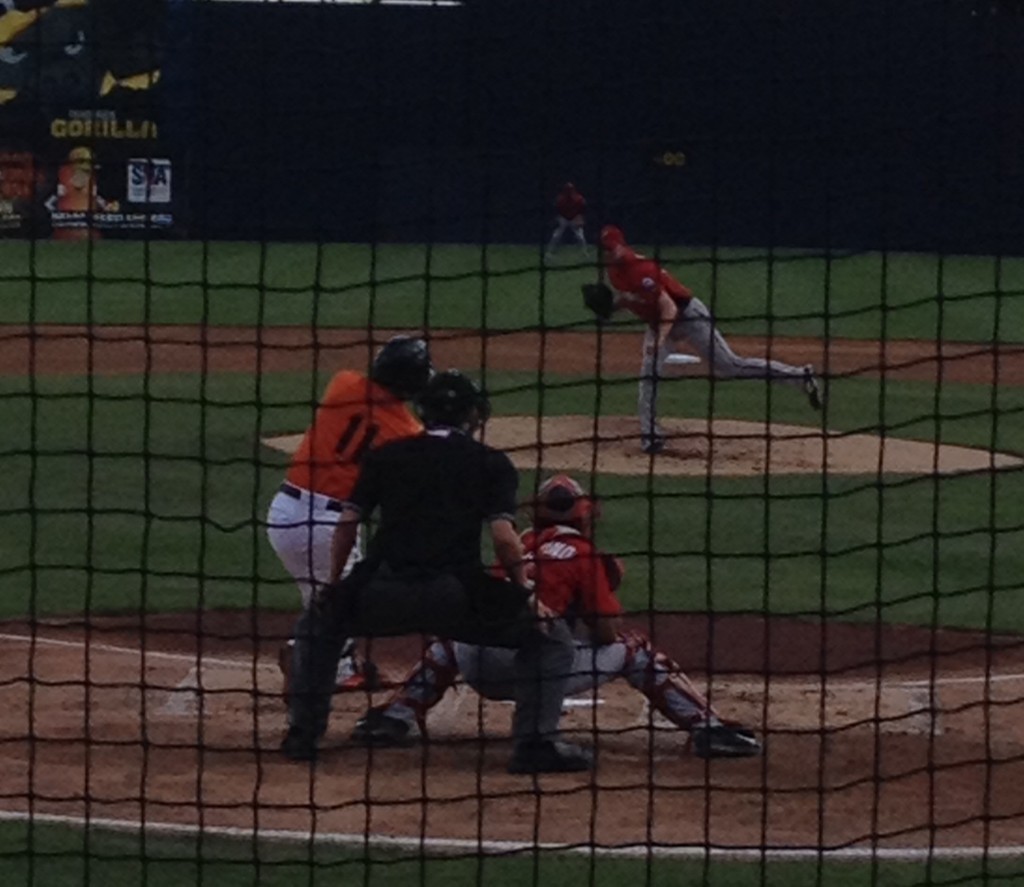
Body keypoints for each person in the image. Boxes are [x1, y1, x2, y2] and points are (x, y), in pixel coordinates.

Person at [280, 371, 591, 774]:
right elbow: (503, 538)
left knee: (316, 625)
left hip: (382, 592)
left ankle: (303, 736)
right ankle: (536, 744)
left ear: (422, 410)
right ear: (474, 415)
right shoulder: (491, 463)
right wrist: (526, 595)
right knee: (552, 639)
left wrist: (335, 585)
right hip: (455, 596)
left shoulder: (386, 455)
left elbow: (347, 524)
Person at [351, 473, 762, 759]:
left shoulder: (516, 548)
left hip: (481, 669)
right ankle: (708, 729)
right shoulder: (584, 554)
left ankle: (393, 719)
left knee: (448, 644)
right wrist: (590, 598)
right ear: (583, 515)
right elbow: (605, 633)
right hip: (540, 672)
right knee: (634, 647)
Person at [266, 336, 432, 698]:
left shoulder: (342, 385)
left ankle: (340, 663)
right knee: (342, 602)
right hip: (326, 525)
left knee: (322, 596)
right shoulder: (408, 432)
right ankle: (312, 658)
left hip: (283, 511)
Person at [598, 224, 824, 454]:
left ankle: (800, 376)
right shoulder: (613, 272)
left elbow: (669, 307)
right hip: (659, 324)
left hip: (688, 316)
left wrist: (659, 341)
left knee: (730, 365)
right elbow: (633, 299)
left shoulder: (641, 269)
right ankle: (651, 437)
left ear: (622, 246)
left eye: (613, 248)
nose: (610, 253)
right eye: (606, 250)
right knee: (648, 377)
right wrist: (610, 308)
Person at [544, 181, 590, 261]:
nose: (569, 192)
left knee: (580, 237)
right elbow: (556, 210)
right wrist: (558, 219)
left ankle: (584, 253)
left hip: (574, 218)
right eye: (567, 190)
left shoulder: (579, 199)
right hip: (563, 218)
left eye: (570, 190)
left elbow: (583, 209)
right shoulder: (560, 199)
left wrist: (580, 218)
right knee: (556, 236)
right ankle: (549, 252)